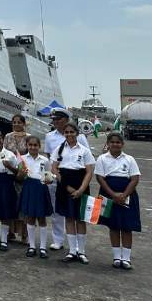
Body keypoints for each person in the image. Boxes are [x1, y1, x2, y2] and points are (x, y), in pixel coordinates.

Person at [43, 107, 90, 250]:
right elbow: (49, 158)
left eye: (59, 119)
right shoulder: (49, 136)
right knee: (57, 211)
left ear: (66, 119)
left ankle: (78, 247)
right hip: (57, 177)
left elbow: (86, 158)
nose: (56, 122)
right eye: (54, 120)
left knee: (77, 214)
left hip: (77, 179)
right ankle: (58, 240)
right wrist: (50, 176)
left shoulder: (80, 137)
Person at [51, 120, 95, 264]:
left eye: (72, 132)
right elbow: (54, 168)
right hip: (64, 186)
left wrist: (81, 189)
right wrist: (67, 186)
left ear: (77, 133)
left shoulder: (84, 150)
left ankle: (81, 251)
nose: (69, 134)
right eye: (66, 132)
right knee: (69, 218)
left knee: (80, 219)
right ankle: (72, 251)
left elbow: (89, 172)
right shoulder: (59, 149)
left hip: (81, 185)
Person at [95, 131, 140, 270]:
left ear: (122, 144)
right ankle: (116, 257)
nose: (115, 144)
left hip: (127, 195)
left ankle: (126, 259)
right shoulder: (102, 158)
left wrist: (124, 195)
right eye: (112, 142)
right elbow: (100, 178)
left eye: (118, 142)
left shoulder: (129, 159)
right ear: (108, 144)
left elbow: (135, 179)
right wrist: (113, 195)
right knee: (113, 226)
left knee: (127, 227)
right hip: (108, 193)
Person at [18, 135, 53, 259]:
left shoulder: (44, 160)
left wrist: (49, 180)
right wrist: (21, 174)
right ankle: (32, 246)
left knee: (42, 218)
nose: (33, 147)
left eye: (35, 145)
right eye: (30, 145)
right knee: (30, 217)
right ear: (27, 146)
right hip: (28, 187)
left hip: (41, 189)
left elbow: (48, 177)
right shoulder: (22, 159)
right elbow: (19, 177)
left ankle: (42, 247)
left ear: (39, 146)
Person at [3, 113, 29, 243]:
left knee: (23, 202)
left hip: (24, 173)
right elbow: (3, 153)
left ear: (24, 123)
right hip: (9, 172)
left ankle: (24, 233)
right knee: (10, 201)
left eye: (19, 122)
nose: (16, 124)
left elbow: (32, 153)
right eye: (14, 122)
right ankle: (10, 232)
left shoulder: (29, 137)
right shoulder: (8, 136)